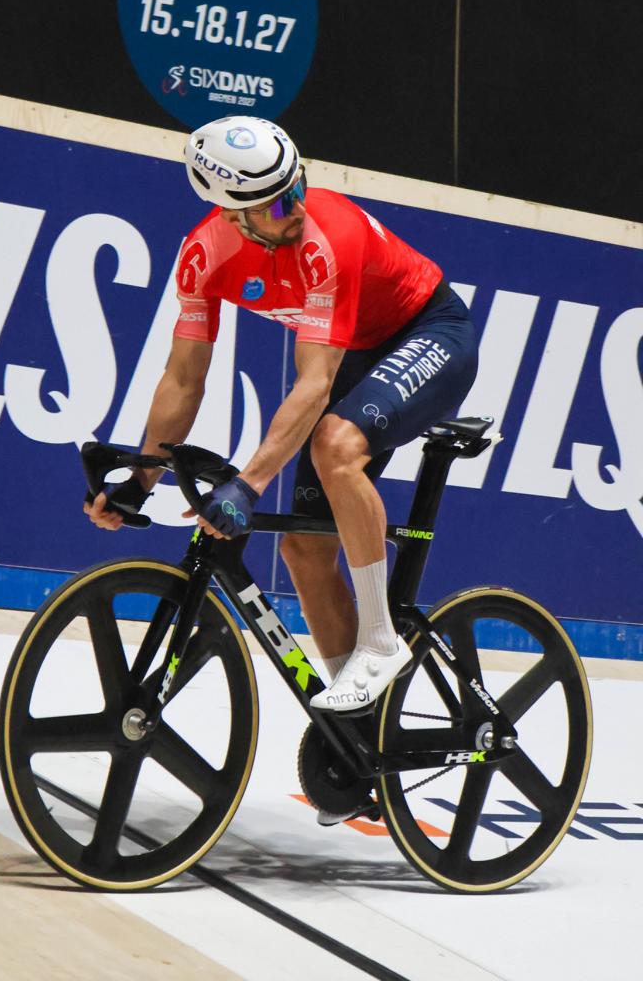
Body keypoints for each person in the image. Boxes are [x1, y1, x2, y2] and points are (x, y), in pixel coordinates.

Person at [85, 115, 478, 714]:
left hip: (429, 331)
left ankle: (380, 641)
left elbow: (316, 384)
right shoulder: (202, 256)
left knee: (337, 445)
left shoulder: (327, 237)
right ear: (231, 214)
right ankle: (357, 732)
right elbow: (184, 377)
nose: (294, 208)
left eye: (296, 187)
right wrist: (142, 480)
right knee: (301, 548)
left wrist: (249, 483)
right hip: (358, 351)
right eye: (273, 206)